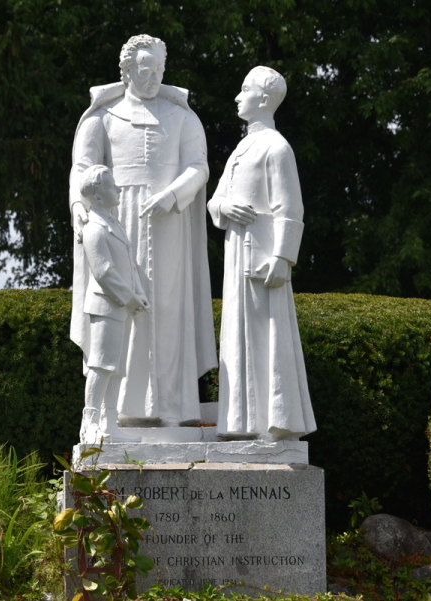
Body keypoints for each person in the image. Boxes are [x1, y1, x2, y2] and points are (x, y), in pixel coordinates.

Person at [69, 34, 217, 428]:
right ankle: (117, 411)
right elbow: (81, 170)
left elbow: (198, 167)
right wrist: (80, 207)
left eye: (158, 71)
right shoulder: (102, 117)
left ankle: (171, 406)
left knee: (168, 308)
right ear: (127, 71)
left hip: (170, 222)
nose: (152, 78)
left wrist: (172, 194)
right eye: (144, 70)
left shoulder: (183, 117)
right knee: (122, 308)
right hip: (117, 219)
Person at [207, 66, 317, 441]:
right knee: (237, 336)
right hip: (237, 249)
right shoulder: (241, 148)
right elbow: (216, 199)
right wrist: (224, 209)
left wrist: (283, 258)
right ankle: (239, 422)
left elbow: (291, 207)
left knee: (266, 336)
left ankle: (273, 421)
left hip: (261, 253)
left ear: (264, 99)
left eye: (244, 90)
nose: (238, 97)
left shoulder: (276, 147)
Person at [74, 165, 150, 443]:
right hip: (106, 305)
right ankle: (89, 423)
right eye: (110, 186)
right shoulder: (94, 229)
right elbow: (104, 271)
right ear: (96, 197)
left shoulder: (113, 224)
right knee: (101, 365)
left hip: (120, 306)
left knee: (116, 367)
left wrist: (138, 292)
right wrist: (130, 298)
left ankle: (110, 425)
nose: (117, 189)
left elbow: (128, 265)